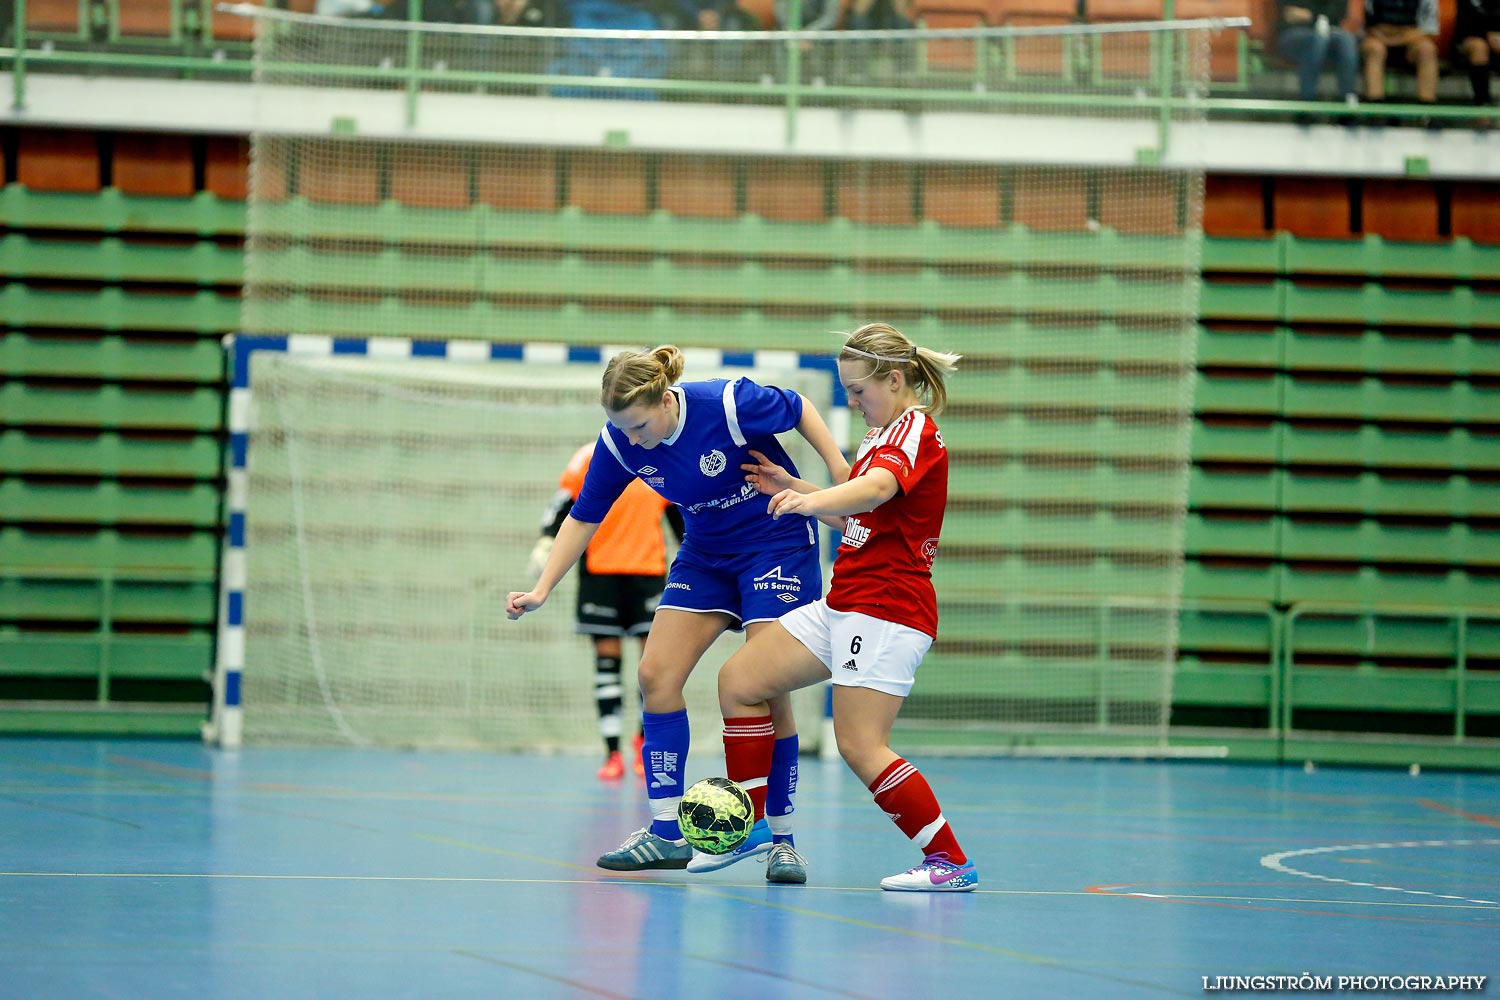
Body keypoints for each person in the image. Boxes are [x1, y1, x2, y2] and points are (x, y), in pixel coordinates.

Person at [507, 346, 850, 882]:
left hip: (775, 543)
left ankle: (778, 838)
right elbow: (584, 515)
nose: (636, 439)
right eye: (624, 429)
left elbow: (800, 405)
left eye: (641, 426)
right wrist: (542, 588)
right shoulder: (620, 441)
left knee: (765, 686)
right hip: (706, 553)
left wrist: (837, 475)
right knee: (654, 674)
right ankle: (666, 830)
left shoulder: (728, 404)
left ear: (666, 400)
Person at [711, 323, 976, 892]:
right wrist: (793, 484)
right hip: (845, 602)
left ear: (895, 380)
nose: (852, 402)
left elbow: (876, 491)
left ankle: (950, 862)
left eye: (858, 391)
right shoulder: (880, 436)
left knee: (859, 745)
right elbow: (859, 516)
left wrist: (808, 498)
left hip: (886, 608)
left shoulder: (915, 430)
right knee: (739, 680)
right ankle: (753, 824)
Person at [529, 444, 685, 780]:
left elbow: (678, 518)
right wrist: (545, 541)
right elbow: (562, 506)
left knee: (653, 667)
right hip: (600, 575)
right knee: (607, 662)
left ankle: (645, 742)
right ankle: (612, 752)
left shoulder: (658, 457)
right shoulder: (588, 458)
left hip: (647, 574)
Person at [1361, 0, 1440, 114]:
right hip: (1378, 39)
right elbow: (1365, 26)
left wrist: (1394, 37)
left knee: (1427, 50)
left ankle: (1427, 110)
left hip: (1411, 42)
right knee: (1374, 48)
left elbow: (1430, 31)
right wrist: (1397, 33)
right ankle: (1375, 111)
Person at [1275, 0, 1360, 105]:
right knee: (1318, 40)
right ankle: (1307, 101)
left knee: (1347, 39)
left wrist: (1311, 15)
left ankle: (1348, 100)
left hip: (1328, 32)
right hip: (1292, 34)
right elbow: (1290, 13)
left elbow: (1338, 13)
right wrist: (1320, 17)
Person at [1454, 0, 1500, 111]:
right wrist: (1487, 34)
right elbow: (1464, 27)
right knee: (1479, 47)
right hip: (1468, 43)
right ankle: (1483, 107)